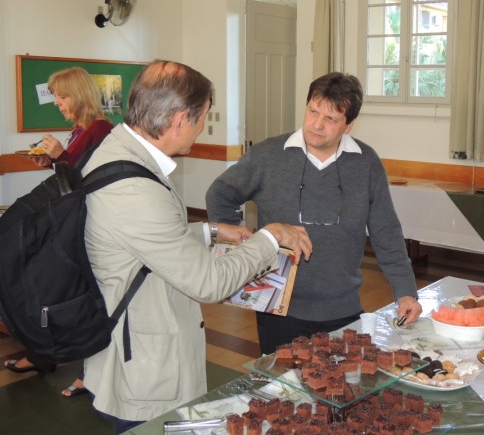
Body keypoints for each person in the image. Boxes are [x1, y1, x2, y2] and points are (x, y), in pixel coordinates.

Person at [80, 60, 312, 433]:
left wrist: (210, 232)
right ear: (178, 120)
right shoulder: (135, 188)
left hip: (139, 347)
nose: (203, 128)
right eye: (203, 117)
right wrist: (271, 237)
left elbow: (149, 241)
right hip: (141, 368)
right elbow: (209, 282)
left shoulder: (121, 151)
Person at [206, 72, 422, 354]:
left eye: (331, 119)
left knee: (342, 391)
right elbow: (219, 195)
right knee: (283, 394)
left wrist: (405, 291)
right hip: (278, 310)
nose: (317, 125)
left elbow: (387, 232)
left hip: (343, 309)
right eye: (312, 112)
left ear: (349, 126)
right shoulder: (268, 155)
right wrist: (242, 246)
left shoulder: (365, 162)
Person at [4, 67, 114, 398]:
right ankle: (42, 353)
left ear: (79, 95)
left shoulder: (102, 131)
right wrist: (52, 161)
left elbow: (90, 182)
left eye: (62, 96)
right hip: (69, 221)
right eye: (55, 97)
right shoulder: (80, 130)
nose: (58, 103)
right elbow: (71, 176)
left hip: (86, 226)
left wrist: (60, 158)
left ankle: (87, 372)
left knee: (80, 295)